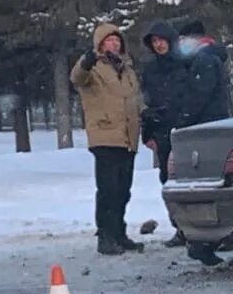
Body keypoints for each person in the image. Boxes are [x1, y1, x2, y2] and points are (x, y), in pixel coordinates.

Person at [71, 21, 143, 255]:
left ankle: (119, 233)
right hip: (105, 136)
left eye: (117, 40)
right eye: (109, 40)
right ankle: (105, 236)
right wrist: (86, 61)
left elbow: (134, 100)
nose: (114, 43)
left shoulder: (128, 70)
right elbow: (77, 78)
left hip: (128, 137)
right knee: (108, 190)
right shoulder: (93, 68)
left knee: (124, 190)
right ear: (100, 45)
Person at [172, 19, 232, 264]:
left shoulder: (204, 61)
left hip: (204, 131)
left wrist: (184, 119)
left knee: (203, 186)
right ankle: (208, 241)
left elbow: (199, 95)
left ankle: (203, 241)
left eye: (184, 40)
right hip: (213, 129)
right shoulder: (208, 58)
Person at [138, 22, 183, 179]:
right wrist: (147, 135)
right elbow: (145, 101)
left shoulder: (184, 64)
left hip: (184, 128)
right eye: (155, 41)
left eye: (162, 40)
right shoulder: (150, 70)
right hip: (161, 131)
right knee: (166, 178)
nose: (159, 44)